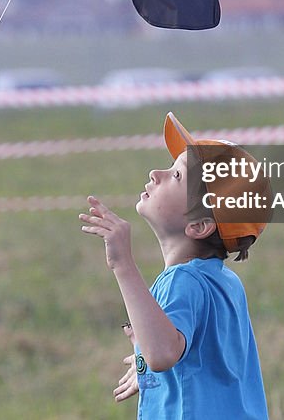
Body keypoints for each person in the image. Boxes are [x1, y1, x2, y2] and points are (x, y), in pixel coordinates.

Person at [80, 112, 270, 419]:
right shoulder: (225, 282)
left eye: (177, 175)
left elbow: (163, 354)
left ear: (200, 225)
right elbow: (191, 355)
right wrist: (144, 348)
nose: (157, 173)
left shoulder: (182, 280)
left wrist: (122, 263)